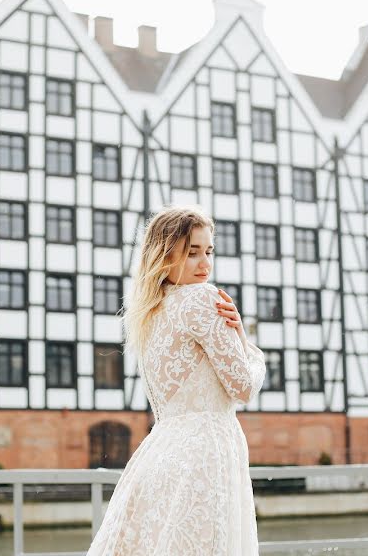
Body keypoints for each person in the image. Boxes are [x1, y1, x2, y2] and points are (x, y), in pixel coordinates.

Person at [86, 205, 266, 556]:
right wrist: (248, 345)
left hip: (162, 452)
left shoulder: (149, 312)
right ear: (165, 256)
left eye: (208, 251)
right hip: (207, 452)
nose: (205, 264)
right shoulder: (203, 298)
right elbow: (243, 386)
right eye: (191, 253)